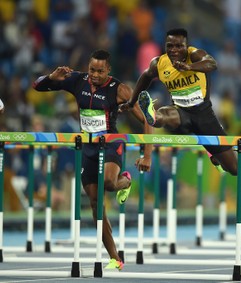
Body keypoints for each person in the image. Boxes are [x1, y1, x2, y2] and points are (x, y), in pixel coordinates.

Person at [33, 49, 153, 270]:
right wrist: (52, 77)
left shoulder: (120, 89)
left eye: (100, 71)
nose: (95, 75)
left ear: (108, 69)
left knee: (108, 183)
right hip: (87, 147)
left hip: (110, 142)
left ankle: (125, 180)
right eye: (92, 70)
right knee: (96, 204)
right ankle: (115, 258)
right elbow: (37, 86)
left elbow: (147, 120)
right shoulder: (78, 80)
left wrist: (147, 155)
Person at [120, 28, 237, 175]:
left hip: (204, 116)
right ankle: (152, 113)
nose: (174, 50)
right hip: (180, 113)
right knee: (161, 116)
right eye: (169, 46)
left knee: (234, 169)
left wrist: (189, 67)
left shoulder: (194, 55)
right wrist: (131, 102)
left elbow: (212, 64)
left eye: (178, 46)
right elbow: (145, 76)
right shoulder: (159, 63)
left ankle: (214, 157)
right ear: (165, 46)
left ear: (186, 46)